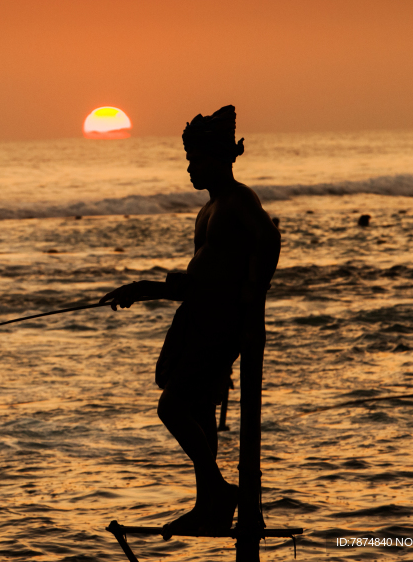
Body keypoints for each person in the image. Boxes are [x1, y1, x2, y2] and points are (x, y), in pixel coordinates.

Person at [100, 105, 280, 535]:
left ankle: (217, 491)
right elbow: (203, 275)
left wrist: (252, 305)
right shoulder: (209, 209)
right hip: (197, 316)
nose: (189, 168)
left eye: (196, 159)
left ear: (220, 157)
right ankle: (210, 505)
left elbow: (269, 240)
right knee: (195, 408)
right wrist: (143, 288)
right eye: (188, 159)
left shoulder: (238, 201)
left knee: (172, 407)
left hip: (220, 323)